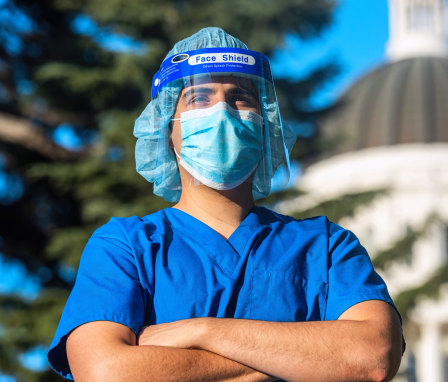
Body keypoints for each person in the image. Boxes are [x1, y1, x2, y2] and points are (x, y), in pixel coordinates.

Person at [47, 27, 403, 381]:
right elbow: (106, 373)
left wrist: (201, 331)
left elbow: (372, 357)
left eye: (240, 97)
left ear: (266, 127)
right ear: (166, 129)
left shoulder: (325, 247)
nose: (223, 112)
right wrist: (303, 357)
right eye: (199, 98)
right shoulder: (126, 247)